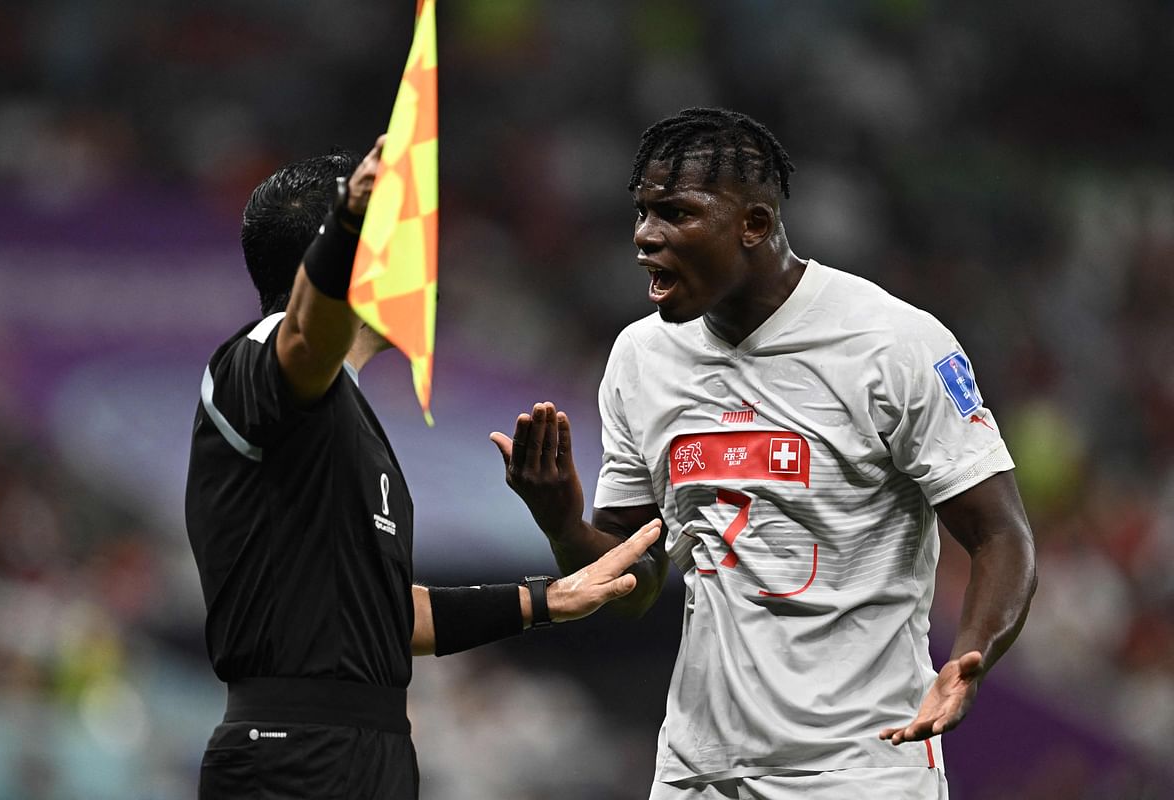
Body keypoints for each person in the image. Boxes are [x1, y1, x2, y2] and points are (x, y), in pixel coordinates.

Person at [492, 108, 1037, 799]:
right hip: (698, 774)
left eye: (675, 214)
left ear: (753, 224)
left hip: (858, 772)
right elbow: (633, 589)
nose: (645, 238)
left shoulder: (893, 344)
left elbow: (1001, 535)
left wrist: (971, 656)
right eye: (642, 214)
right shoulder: (641, 358)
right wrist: (561, 522)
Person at [184, 139, 661, 800]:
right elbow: (304, 338)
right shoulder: (261, 352)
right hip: (292, 749)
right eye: (401, 241)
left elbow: (377, 619)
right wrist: (352, 222)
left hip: (364, 749)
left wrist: (546, 600)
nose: (425, 268)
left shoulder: (345, 412)